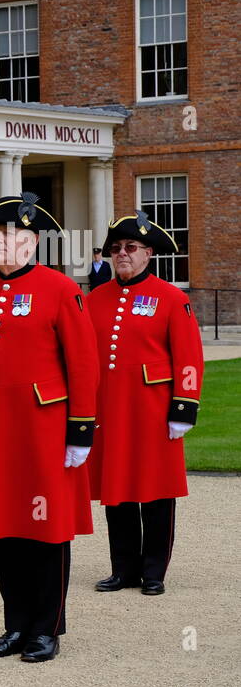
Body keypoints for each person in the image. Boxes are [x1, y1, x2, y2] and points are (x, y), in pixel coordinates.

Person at [0, 193, 98, 663]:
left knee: (46, 529)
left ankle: (46, 627)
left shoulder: (60, 289)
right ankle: (15, 624)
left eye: (8, 236)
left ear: (31, 243)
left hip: (42, 428)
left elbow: (83, 364)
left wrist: (80, 429)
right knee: (5, 529)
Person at [87, 212, 203, 597]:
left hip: (153, 411)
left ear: (148, 254)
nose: (122, 254)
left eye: (130, 248)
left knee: (155, 491)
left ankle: (154, 571)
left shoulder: (172, 298)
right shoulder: (94, 299)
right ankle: (123, 569)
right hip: (109, 411)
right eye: (116, 248)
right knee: (115, 488)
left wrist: (183, 407)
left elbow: (188, 356)